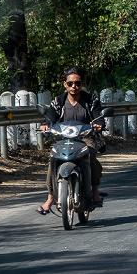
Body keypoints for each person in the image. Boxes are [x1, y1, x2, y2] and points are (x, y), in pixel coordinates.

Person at [36, 66, 106, 215]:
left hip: (85, 138)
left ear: (82, 83)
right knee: (53, 158)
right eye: (70, 83)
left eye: (77, 83)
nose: (74, 86)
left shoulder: (91, 100)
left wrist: (99, 125)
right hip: (64, 139)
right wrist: (45, 126)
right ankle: (50, 197)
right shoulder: (58, 102)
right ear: (65, 84)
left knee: (90, 155)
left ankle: (95, 192)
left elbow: (99, 117)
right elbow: (50, 119)